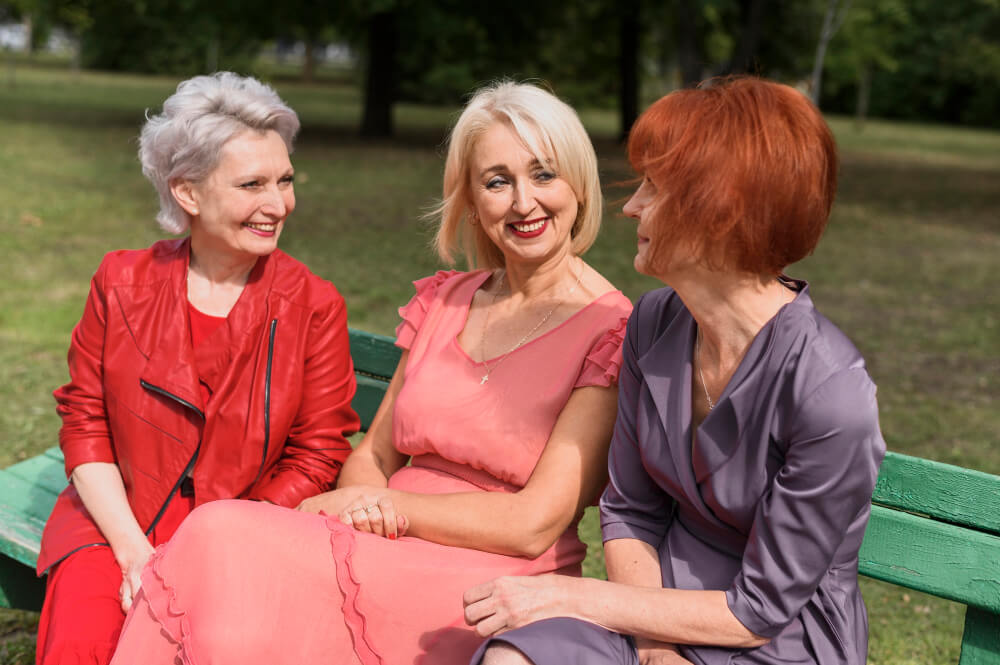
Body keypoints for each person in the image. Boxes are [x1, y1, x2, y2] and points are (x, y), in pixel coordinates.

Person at [109, 80, 633, 665]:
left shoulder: (610, 329)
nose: (523, 202)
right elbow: (374, 453)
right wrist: (366, 504)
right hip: (376, 539)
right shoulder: (447, 299)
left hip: (488, 571)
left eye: (544, 175)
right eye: (496, 181)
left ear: (579, 185)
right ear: (471, 198)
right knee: (218, 542)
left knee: (222, 541)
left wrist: (387, 512)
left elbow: (534, 524)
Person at [465, 77, 887, 665]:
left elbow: (759, 611)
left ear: (719, 211)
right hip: (650, 604)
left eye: (654, 188)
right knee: (511, 657)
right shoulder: (654, 323)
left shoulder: (829, 391)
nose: (631, 204)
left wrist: (566, 594)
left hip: (776, 639)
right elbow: (632, 510)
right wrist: (655, 646)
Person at [36, 72, 360, 665]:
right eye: (252, 184)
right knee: (84, 641)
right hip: (116, 524)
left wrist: (214, 545)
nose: (278, 203)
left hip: (242, 535)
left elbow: (317, 455)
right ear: (187, 193)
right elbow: (86, 424)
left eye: (284, 180)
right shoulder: (120, 280)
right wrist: (133, 551)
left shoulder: (314, 305)